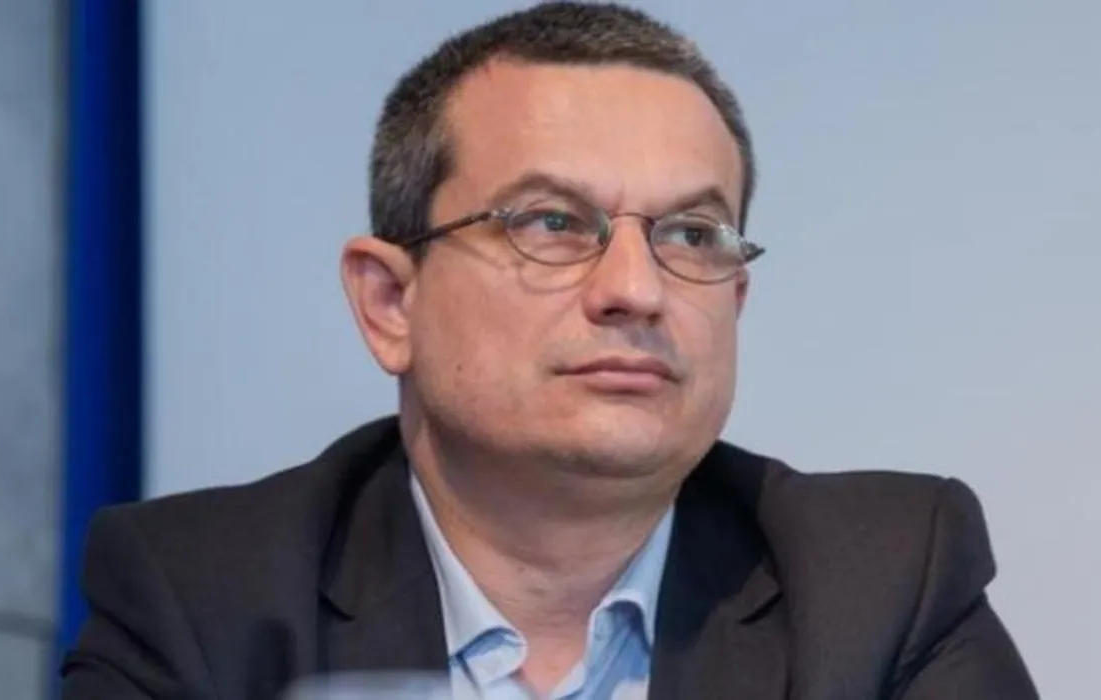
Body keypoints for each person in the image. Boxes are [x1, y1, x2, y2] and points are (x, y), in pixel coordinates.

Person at [61, 3, 1038, 699]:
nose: (635, 289)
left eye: (691, 235)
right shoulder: (205, 600)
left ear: (735, 298)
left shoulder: (879, 580)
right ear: (390, 302)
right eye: (552, 223)